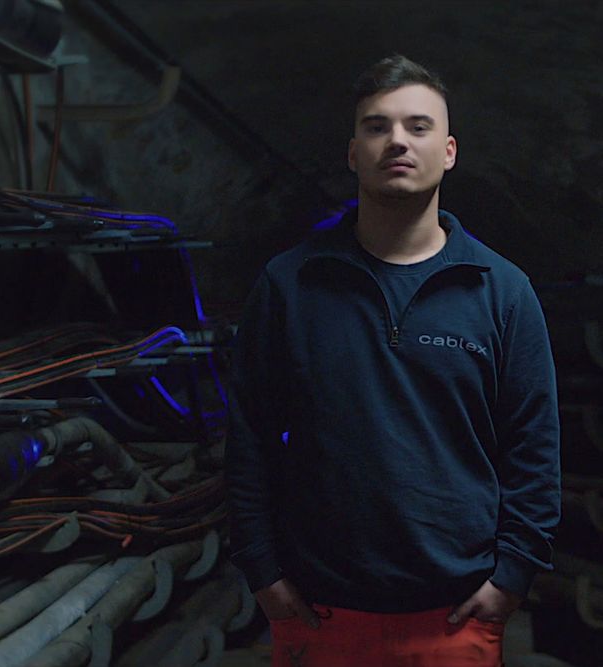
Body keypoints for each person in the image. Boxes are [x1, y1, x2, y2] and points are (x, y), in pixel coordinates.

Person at [226, 54, 560, 667]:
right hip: (319, 610)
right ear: (354, 153)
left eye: (418, 126)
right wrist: (261, 571)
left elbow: (533, 449)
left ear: (450, 151)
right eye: (377, 127)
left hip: (455, 616)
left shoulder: (502, 290)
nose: (397, 141)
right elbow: (247, 435)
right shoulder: (291, 284)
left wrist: (511, 578)